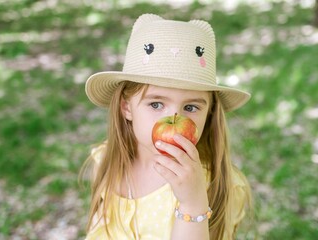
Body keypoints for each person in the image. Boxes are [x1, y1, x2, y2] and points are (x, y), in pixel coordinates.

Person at [82, 13, 252, 240]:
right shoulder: (106, 162)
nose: (173, 117)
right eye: (156, 103)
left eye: (191, 108)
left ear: (209, 114)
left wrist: (193, 203)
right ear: (126, 107)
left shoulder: (217, 185)